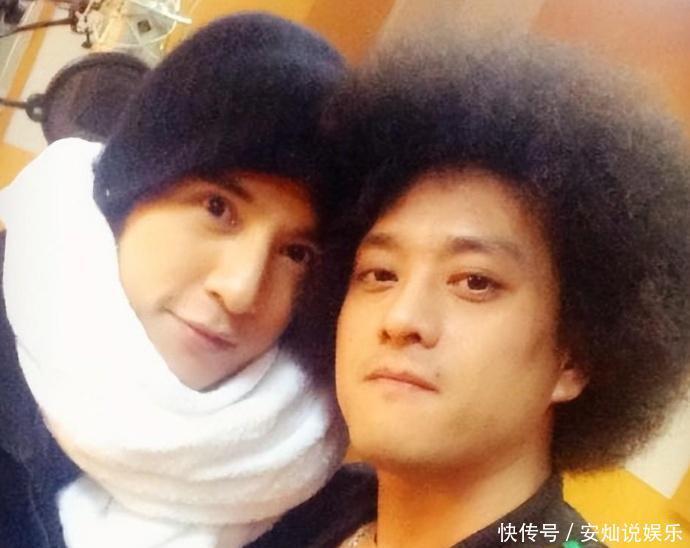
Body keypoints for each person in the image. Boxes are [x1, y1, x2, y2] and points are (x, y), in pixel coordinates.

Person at [258, 37, 690, 547]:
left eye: (474, 282)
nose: (401, 319)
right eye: (380, 274)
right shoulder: (290, 504)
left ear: (573, 359)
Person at [0, 12, 348, 548]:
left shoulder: (323, 501)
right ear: (132, 192)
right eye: (218, 208)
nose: (240, 290)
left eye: (297, 253)